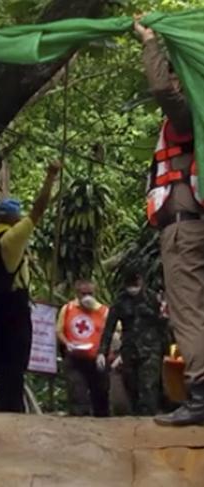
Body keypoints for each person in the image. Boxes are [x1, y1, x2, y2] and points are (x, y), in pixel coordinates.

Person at [135, 19, 204, 426]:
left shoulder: (190, 112)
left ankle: (200, 395)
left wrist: (150, 43)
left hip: (186, 226)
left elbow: (162, 89)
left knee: (190, 311)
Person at [0, 161, 61, 412]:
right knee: (14, 366)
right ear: (13, 219)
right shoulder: (11, 239)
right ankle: (9, 412)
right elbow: (39, 210)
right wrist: (50, 176)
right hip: (13, 311)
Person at [96, 272, 168, 416]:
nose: (133, 289)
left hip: (150, 349)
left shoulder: (152, 298)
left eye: (135, 285)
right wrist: (102, 353)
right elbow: (109, 329)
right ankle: (136, 419)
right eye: (130, 285)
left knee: (148, 386)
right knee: (131, 385)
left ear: (141, 282)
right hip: (129, 349)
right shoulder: (120, 302)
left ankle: (149, 419)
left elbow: (163, 324)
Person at [56, 280, 109, 417]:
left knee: (100, 393)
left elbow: (115, 332)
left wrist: (105, 352)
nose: (87, 297)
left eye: (90, 293)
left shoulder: (103, 311)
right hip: (74, 358)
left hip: (96, 359)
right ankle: (79, 422)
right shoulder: (68, 309)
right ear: (77, 294)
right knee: (77, 391)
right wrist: (67, 343)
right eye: (83, 293)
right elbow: (59, 331)